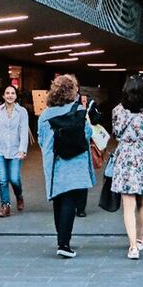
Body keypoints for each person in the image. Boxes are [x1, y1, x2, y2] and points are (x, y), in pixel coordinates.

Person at [37, 74, 95, 258]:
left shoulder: (45, 115)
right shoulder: (78, 110)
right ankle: (64, 243)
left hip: (55, 164)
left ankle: (61, 240)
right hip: (75, 163)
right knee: (70, 200)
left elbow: (41, 140)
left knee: (59, 200)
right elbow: (87, 133)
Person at [111, 76, 143, 259]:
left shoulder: (118, 111)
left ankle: (132, 247)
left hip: (125, 157)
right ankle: (140, 238)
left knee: (128, 204)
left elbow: (116, 133)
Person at [0, 85, 29, 217]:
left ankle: (19, 195)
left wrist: (23, 149)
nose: (10, 95)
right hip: (0, 149)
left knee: (14, 178)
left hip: (16, 150)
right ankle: (5, 205)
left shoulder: (22, 111)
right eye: (7, 93)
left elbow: (24, 131)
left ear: (16, 96)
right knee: (2, 179)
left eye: (12, 93)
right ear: (3, 96)